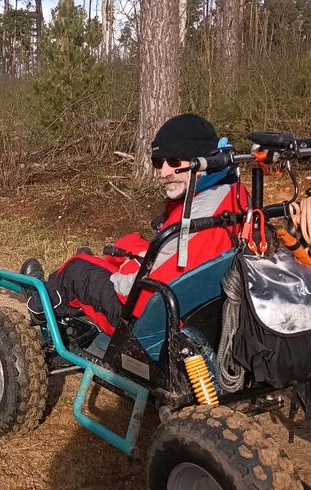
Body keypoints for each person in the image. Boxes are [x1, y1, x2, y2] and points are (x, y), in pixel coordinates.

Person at [27, 113, 249, 335]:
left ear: (202, 160)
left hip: (147, 321)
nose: (163, 172)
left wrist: (125, 267)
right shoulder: (232, 194)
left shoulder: (197, 222)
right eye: (158, 162)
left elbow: (134, 292)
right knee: (128, 242)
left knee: (76, 270)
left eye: (174, 161)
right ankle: (72, 282)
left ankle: (38, 303)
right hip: (192, 304)